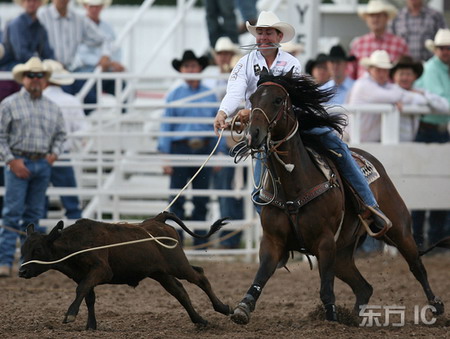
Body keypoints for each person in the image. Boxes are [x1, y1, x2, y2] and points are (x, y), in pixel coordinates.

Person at [213, 11, 392, 232]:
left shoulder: (291, 63)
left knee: (338, 147)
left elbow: (290, 99)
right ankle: (276, 235)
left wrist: (249, 112)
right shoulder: (244, 64)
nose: (263, 37)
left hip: (292, 124)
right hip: (263, 131)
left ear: (278, 36)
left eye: (268, 32)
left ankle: (369, 205)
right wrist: (223, 112)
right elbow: (235, 91)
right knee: (259, 193)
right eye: (260, 33)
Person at [0, 57, 66, 277]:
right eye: (32, 76)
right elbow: (1, 136)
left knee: (33, 215)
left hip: (41, 162)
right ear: (24, 78)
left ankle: (28, 261)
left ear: (45, 80)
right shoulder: (9, 104)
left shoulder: (53, 108)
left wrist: (52, 155)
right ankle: (5, 260)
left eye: (40, 76)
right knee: (13, 213)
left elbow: (60, 135)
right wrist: (11, 160)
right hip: (19, 160)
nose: (36, 80)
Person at [158, 50, 224, 247]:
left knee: (201, 197)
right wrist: (166, 157)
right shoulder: (174, 95)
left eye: (193, 66)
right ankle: (176, 238)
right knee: (177, 196)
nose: (190, 69)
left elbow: (217, 125)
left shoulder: (210, 95)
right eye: (187, 66)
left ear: (200, 68)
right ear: (182, 70)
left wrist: (217, 153)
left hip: (203, 149)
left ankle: (200, 239)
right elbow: (166, 126)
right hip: (180, 148)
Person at [411, 28, 450, 249]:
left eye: (448, 48)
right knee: (425, 183)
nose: (446, 51)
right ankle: (423, 239)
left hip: (438, 129)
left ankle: (432, 240)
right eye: (443, 48)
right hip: (429, 129)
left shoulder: (436, 68)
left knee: (440, 182)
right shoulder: (432, 69)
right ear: (436, 50)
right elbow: (443, 101)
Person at [206, 37, 244, 249]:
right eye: (222, 53)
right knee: (226, 193)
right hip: (225, 144)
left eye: (227, 53)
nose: (224, 57)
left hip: (235, 143)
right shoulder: (212, 81)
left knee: (235, 192)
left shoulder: (234, 80)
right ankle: (229, 238)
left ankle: (233, 238)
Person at [347, 49, 430, 143]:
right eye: (378, 70)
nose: (382, 74)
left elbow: (419, 100)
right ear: (370, 69)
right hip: (357, 141)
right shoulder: (363, 85)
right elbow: (393, 96)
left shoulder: (384, 86)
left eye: (385, 70)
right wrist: (401, 96)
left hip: (368, 141)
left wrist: (397, 97)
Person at [43, 59, 88, 220]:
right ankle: (81, 239)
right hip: (63, 154)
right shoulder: (71, 100)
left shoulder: (36, 100)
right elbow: (82, 131)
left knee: (37, 203)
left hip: (39, 155)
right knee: (71, 203)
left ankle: (35, 239)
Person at [70, 0, 125, 114]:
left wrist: (113, 64)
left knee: (124, 87)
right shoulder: (79, 25)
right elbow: (81, 54)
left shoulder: (107, 27)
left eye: (97, 6)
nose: (94, 9)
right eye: (92, 6)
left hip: (102, 70)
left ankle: (124, 118)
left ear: (101, 7)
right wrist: (106, 62)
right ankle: (86, 120)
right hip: (85, 70)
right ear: (85, 6)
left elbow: (115, 48)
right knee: (89, 95)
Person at [0, 0, 54, 102]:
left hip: (28, 66)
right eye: (28, 1)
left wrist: (53, 63)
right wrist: (43, 62)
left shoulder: (40, 27)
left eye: (34, 1)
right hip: (12, 67)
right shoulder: (16, 24)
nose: (32, 3)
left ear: (39, 3)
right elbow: (21, 53)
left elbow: (47, 52)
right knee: (33, 76)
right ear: (22, 3)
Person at [38, 0, 111, 71]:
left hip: (69, 71)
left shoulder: (79, 19)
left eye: (97, 6)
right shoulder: (41, 17)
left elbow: (105, 39)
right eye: (92, 6)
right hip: (45, 72)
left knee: (108, 76)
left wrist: (105, 56)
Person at [390, 55, 449, 142]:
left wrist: (423, 95)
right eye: (401, 74)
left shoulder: (421, 92)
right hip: (393, 141)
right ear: (394, 76)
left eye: (408, 74)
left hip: (414, 140)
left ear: (415, 77)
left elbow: (445, 106)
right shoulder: (389, 91)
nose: (405, 78)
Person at [348, 0, 409, 79]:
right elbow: (350, 72)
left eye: (379, 15)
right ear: (367, 19)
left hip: (391, 90)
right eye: (372, 16)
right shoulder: (358, 44)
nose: (375, 19)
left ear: (386, 18)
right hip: (364, 90)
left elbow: (407, 70)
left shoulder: (400, 44)